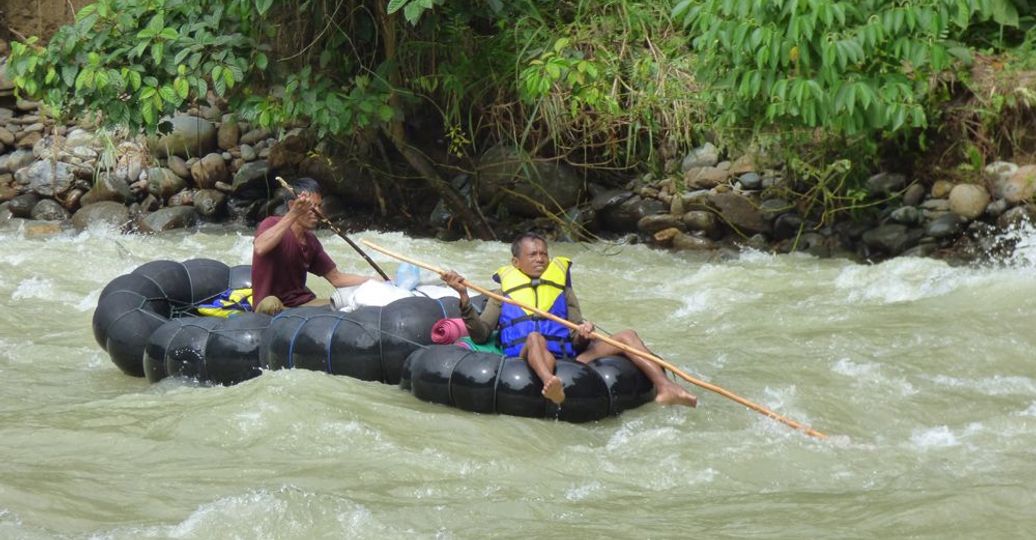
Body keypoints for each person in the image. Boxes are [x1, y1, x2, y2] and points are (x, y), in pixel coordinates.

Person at [441, 232, 698, 407]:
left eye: (544, 254)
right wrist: (463, 296)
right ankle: (550, 384)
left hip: (568, 358)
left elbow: (576, 339)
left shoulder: (563, 292)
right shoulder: (501, 295)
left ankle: (666, 388)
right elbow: (481, 335)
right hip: (525, 357)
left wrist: (584, 332)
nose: (540, 259)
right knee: (534, 337)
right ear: (516, 262)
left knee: (627, 336)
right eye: (533, 255)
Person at [251, 177, 375, 315]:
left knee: (346, 305)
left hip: (301, 304)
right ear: (292, 205)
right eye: (311, 206)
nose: (317, 212)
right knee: (271, 303)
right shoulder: (271, 223)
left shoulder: (311, 241)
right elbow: (260, 247)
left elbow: (337, 278)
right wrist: (293, 213)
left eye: (319, 206)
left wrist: (377, 280)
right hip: (271, 305)